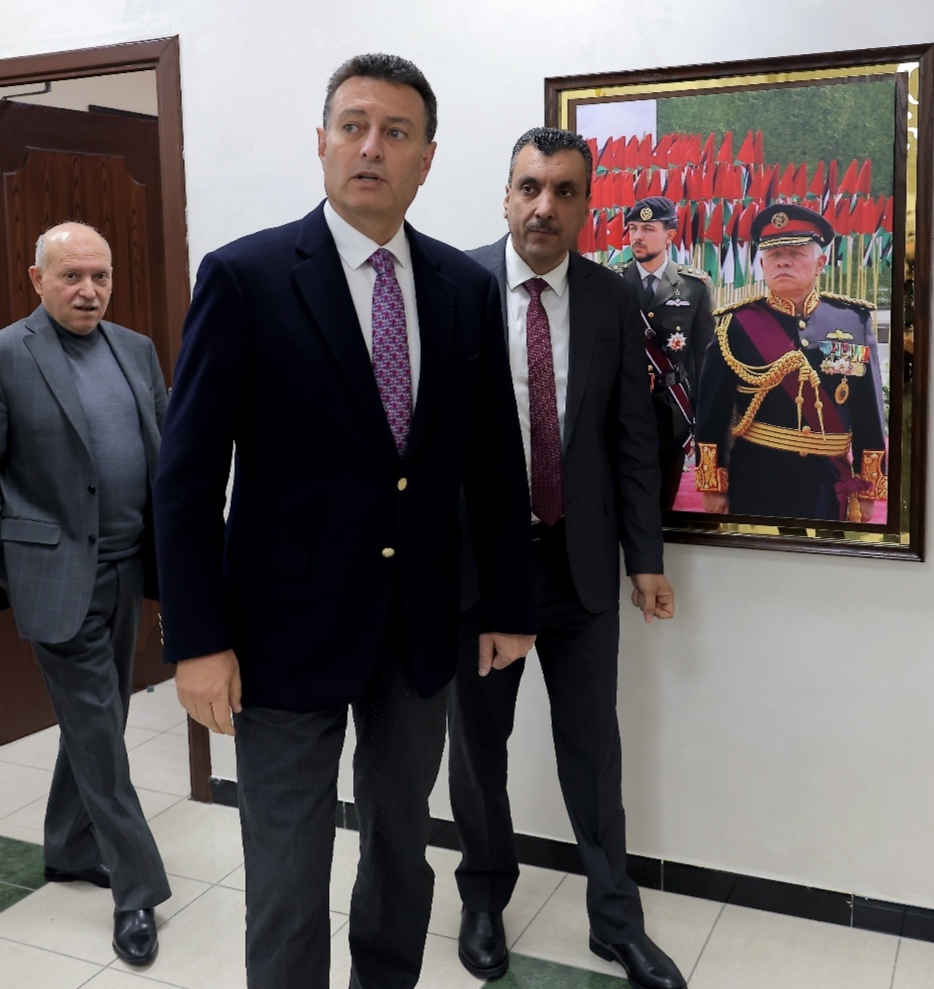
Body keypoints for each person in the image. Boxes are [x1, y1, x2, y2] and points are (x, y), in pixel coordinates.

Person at [152, 54, 537, 989]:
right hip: (281, 634)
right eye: (354, 126)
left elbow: (494, 463)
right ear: (321, 143)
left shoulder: (463, 287)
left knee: (402, 857)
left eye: (395, 132)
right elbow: (186, 477)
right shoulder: (245, 277)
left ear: (426, 159)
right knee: (287, 876)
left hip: (419, 628)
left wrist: (509, 603)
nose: (372, 147)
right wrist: (196, 639)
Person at [448, 127, 686, 989]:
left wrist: (645, 558)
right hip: (483, 573)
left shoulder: (612, 299)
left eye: (563, 190)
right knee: (479, 749)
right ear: (506, 195)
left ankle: (615, 921)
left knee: (593, 749)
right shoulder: (454, 285)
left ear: (587, 205)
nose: (543, 205)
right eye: (529, 187)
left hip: (579, 564)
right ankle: (483, 899)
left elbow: (632, 438)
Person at [0, 222, 170, 965]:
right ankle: (138, 889)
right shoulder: (9, 355)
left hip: (129, 568)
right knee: (100, 732)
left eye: (100, 276)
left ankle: (69, 846)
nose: (89, 290)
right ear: (37, 279)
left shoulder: (135, 349)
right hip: (56, 575)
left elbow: (162, 450)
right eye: (71, 276)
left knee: (101, 717)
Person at [694, 203, 887, 521]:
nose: (783, 260)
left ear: (820, 262)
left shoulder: (852, 320)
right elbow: (712, 411)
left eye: (795, 252)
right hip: (756, 479)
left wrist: (867, 488)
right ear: (762, 264)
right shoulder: (736, 324)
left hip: (828, 483)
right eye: (774, 254)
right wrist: (713, 485)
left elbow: (869, 410)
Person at [615, 196, 714, 508]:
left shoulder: (694, 286)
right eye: (633, 228)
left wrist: (702, 418)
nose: (637, 236)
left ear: (670, 234)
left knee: (662, 508)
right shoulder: (612, 281)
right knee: (620, 503)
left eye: (648, 229)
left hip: (671, 412)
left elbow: (703, 359)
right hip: (620, 411)